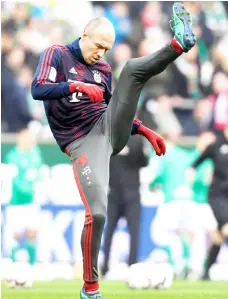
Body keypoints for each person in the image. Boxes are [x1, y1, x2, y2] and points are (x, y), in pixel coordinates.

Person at [31, 3, 196, 298]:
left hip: (109, 129)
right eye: (98, 46)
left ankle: (178, 44)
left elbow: (113, 108)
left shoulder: (103, 69)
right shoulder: (56, 54)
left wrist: (144, 131)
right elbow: (38, 88)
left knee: (132, 69)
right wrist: (73, 86)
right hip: (82, 141)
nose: (101, 54)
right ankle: (90, 288)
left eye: (107, 49)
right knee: (97, 213)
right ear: (84, 35)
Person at [101, 135, 148, 277]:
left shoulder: (137, 140)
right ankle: (104, 266)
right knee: (109, 231)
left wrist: (134, 151)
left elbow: (144, 161)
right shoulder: (110, 139)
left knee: (134, 231)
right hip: (114, 193)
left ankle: (132, 265)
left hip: (132, 192)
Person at [187, 125, 228, 280]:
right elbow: (198, 161)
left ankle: (205, 273)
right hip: (217, 196)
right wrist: (191, 170)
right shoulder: (215, 146)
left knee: (218, 236)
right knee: (226, 229)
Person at [4, 128, 43, 287]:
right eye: (26, 138)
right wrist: (28, 187)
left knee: (32, 233)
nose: (29, 141)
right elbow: (15, 181)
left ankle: (31, 269)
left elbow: (39, 173)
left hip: (31, 203)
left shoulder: (35, 153)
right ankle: (14, 268)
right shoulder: (12, 156)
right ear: (20, 139)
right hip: (16, 203)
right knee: (16, 235)